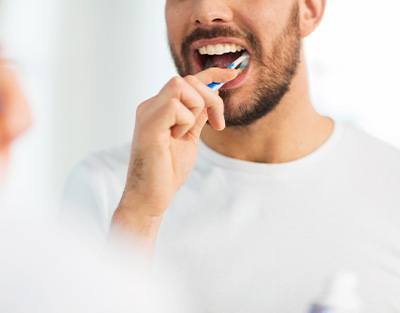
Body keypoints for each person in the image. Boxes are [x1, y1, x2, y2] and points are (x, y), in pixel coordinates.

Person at [63, 0, 400, 311]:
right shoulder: (106, 190)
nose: (207, 10)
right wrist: (140, 217)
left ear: (308, 10)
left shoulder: (391, 190)